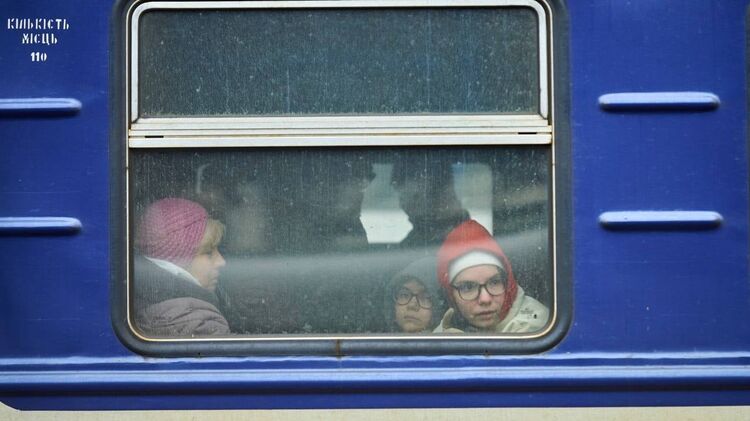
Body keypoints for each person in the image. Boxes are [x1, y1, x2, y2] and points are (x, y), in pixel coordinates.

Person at [133, 198, 230, 337]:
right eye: (209, 253)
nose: (221, 262)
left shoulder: (148, 301)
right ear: (178, 260)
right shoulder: (198, 324)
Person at [434, 219, 548, 333]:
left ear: (509, 284)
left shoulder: (538, 330)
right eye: (468, 287)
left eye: (494, 282)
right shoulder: (448, 324)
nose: (485, 299)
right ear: (451, 295)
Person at [390, 158, 469, 248]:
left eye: (415, 197)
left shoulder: (469, 241)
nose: (404, 206)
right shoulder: (418, 238)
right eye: (402, 198)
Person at [383, 257, 444, 333]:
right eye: (404, 295)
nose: (412, 305)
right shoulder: (375, 338)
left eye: (425, 297)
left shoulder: (451, 339)